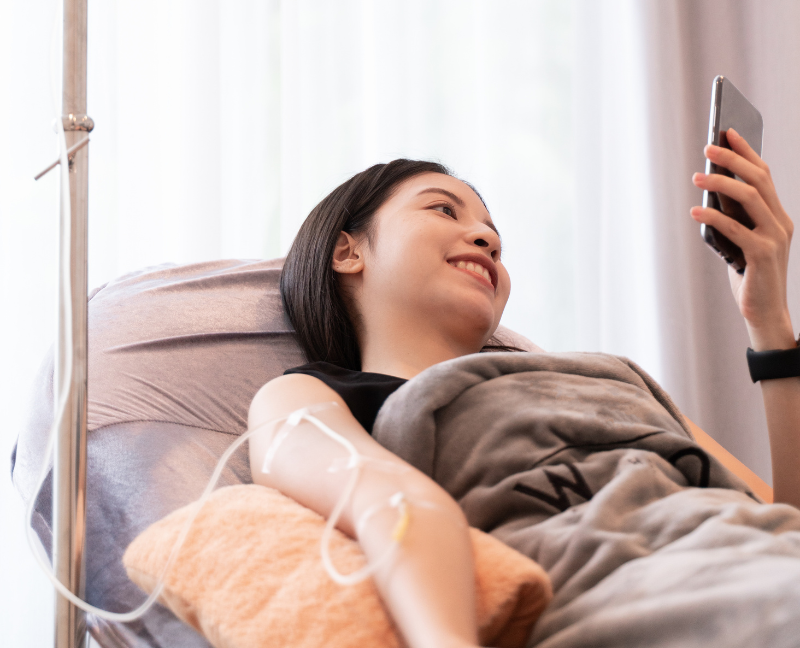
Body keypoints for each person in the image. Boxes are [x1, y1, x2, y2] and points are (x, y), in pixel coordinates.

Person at [248, 131, 798, 648]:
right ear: (348, 252)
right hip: (667, 599)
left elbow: (781, 513)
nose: (488, 240)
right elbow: (393, 504)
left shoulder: (606, 377)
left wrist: (770, 319)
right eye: (442, 209)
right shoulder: (312, 397)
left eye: (497, 239)